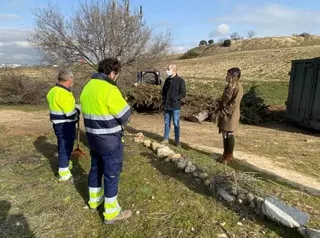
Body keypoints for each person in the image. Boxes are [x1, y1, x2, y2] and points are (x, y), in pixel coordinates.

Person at [80, 58, 132, 224]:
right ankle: (111, 213)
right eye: (116, 74)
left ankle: (94, 201)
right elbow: (125, 117)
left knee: (95, 169)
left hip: (92, 138)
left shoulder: (87, 87)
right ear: (112, 73)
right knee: (111, 173)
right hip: (109, 140)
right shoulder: (110, 89)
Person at [46, 70, 80, 181]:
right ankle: (64, 172)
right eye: (72, 80)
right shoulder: (63, 93)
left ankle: (65, 163)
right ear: (69, 79)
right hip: (65, 124)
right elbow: (70, 114)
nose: (72, 82)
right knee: (65, 147)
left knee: (63, 144)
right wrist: (78, 112)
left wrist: (76, 107)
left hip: (57, 124)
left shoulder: (52, 91)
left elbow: (61, 107)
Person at [215, 67, 243, 164]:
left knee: (229, 134)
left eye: (228, 75)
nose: (226, 76)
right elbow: (223, 100)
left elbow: (234, 104)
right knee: (224, 134)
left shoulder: (239, 88)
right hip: (224, 114)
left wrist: (224, 112)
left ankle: (229, 155)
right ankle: (225, 153)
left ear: (233, 76)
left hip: (231, 115)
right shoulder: (228, 87)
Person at [161, 64, 186, 147]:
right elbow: (163, 91)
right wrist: (164, 99)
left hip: (175, 106)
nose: (167, 70)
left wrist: (176, 98)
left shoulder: (180, 80)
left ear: (174, 70)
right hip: (167, 105)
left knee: (176, 123)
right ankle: (165, 138)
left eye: (168, 69)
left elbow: (183, 93)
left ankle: (177, 140)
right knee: (167, 122)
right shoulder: (167, 80)